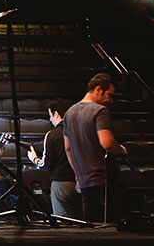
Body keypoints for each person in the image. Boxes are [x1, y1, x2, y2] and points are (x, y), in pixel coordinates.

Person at [63, 72, 127, 223]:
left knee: (92, 229)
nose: (110, 100)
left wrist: (78, 174)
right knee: (111, 228)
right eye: (109, 95)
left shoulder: (69, 113)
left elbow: (68, 148)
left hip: (84, 181)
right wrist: (121, 150)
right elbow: (107, 143)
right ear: (99, 89)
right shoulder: (99, 111)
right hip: (103, 181)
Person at [28, 98, 81, 219]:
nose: (50, 119)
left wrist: (34, 158)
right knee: (81, 223)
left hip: (61, 184)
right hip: (80, 182)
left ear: (56, 114)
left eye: (50, 115)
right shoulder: (78, 132)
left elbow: (46, 165)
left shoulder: (52, 135)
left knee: (64, 222)